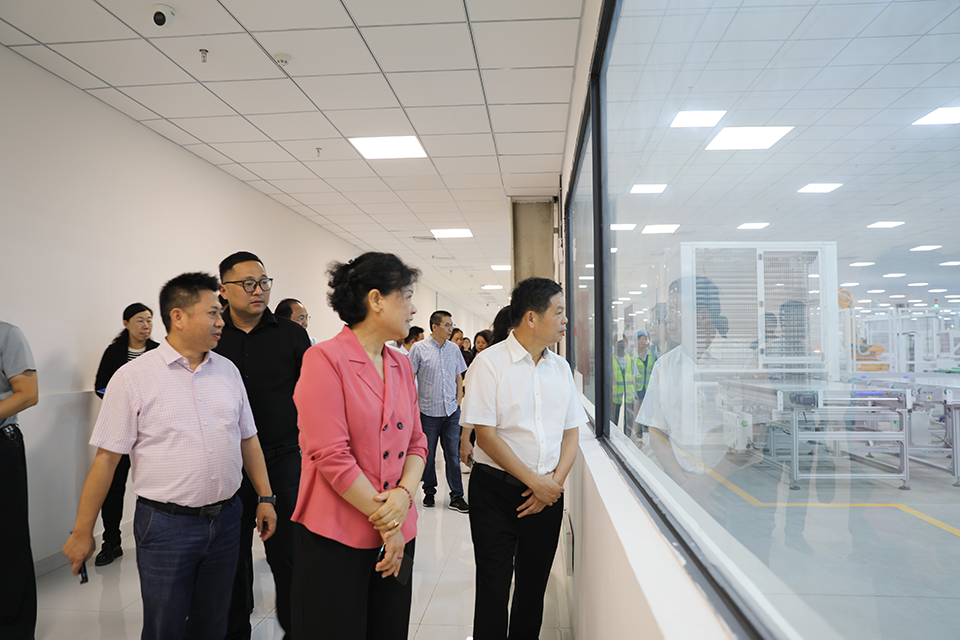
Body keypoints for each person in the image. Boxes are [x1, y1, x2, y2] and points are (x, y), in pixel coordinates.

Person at [63, 272, 277, 640]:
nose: (221, 321)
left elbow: (249, 439)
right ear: (178, 316)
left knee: (214, 624)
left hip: (227, 520)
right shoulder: (133, 378)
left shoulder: (228, 371)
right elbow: (107, 460)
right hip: (166, 526)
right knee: (165, 626)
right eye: (213, 313)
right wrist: (83, 531)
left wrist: (265, 497)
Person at [291, 252, 427, 640]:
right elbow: (331, 455)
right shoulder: (324, 359)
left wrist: (404, 497)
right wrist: (390, 521)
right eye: (407, 296)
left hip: (399, 530)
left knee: (389, 629)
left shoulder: (401, 364)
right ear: (376, 299)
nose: (413, 308)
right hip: (336, 534)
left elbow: (417, 443)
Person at [461, 277, 586, 639]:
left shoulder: (560, 368)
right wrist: (536, 483)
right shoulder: (489, 363)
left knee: (533, 589)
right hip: (495, 493)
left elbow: (571, 433)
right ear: (531, 317)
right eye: (558, 311)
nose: (565, 319)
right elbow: (486, 436)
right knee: (494, 588)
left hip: (546, 495)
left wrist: (552, 486)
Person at [216, 252, 312, 640]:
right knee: (230, 557)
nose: (259, 291)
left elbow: (312, 395)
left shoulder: (291, 335)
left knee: (288, 555)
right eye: (248, 284)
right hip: (226, 463)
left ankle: (297, 629)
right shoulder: (213, 334)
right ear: (224, 290)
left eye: (264, 282)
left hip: (282, 459)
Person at [92, 302, 160, 566]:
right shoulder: (114, 352)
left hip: (151, 430)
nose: (146, 325)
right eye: (140, 320)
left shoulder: (158, 351)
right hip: (121, 427)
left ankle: (156, 536)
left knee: (154, 482)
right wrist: (127, 403)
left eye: (149, 320)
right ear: (126, 323)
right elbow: (101, 386)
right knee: (113, 485)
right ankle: (111, 541)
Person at [1, 321, 39, 640]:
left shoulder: (7, 334)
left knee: (8, 540)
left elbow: (27, 394)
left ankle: (13, 628)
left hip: (2, 443)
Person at [409, 311, 469, 513]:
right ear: (435, 327)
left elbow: (459, 377)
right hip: (427, 412)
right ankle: (429, 492)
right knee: (428, 456)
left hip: (451, 412)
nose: (451, 328)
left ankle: (457, 496)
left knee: (453, 455)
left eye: (452, 324)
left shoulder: (453, 348)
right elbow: (410, 378)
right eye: (447, 325)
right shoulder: (419, 349)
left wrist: (458, 403)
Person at [629, 330, 655, 441]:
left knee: (649, 413)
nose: (644, 342)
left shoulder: (652, 355)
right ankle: (638, 434)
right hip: (638, 390)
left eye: (645, 340)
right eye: (641, 340)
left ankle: (650, 433)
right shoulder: (633, 357)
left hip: (649, 389)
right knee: (638, 413)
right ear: (636, 341)